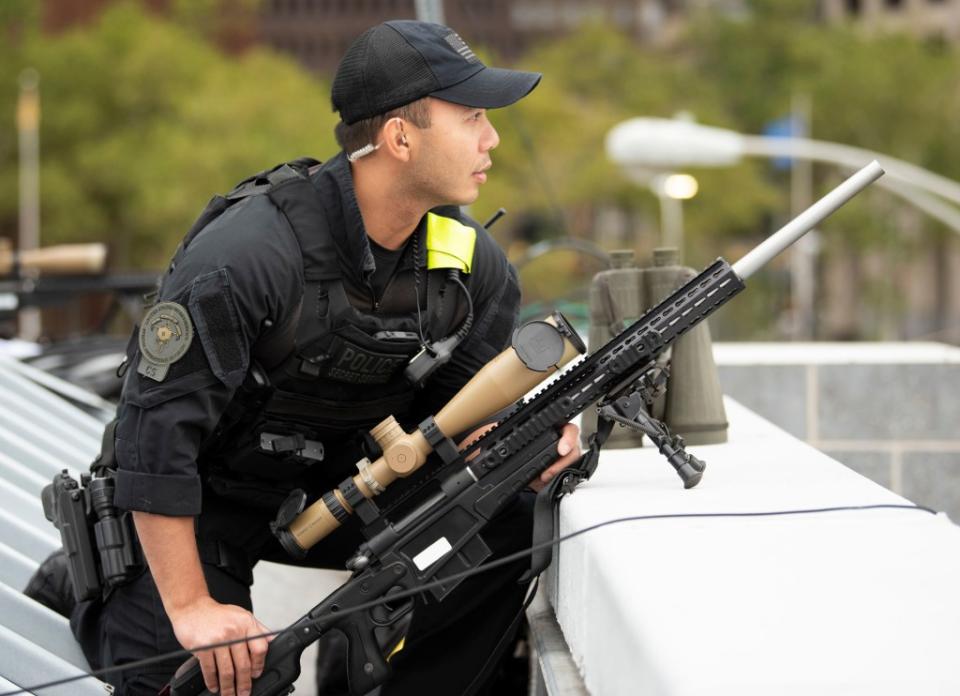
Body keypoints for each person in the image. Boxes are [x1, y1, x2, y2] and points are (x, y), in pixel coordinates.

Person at [64, 19, 580, 696]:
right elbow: (154, 440)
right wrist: (192, 610)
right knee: (203, 679)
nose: (493, 139)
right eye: (475, 117)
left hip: (337, 497)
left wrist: (523, 443)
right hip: (199, 508)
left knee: (508, 511)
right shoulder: (250, 255)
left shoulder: (464, 265)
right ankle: (76, 585)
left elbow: (457, 428)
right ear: (401, 138)